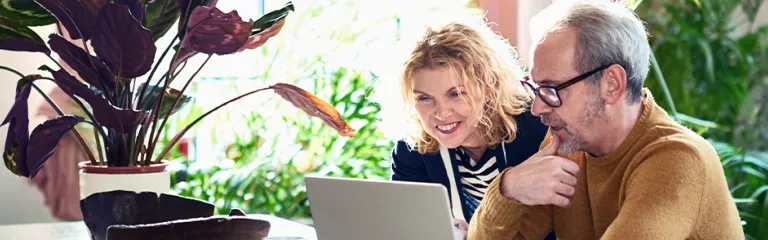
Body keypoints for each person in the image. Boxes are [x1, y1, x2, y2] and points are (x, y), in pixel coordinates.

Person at [467, 0, 744, 239]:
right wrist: (508, 188)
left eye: (551, 90)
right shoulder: (566, 146)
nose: (537, 107)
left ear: (611, 84)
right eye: (536, 88)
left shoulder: (679, 159)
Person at [377, 16, 554, 239]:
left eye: (457, 94)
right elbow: (409, 231)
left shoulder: (537, 129)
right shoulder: (412, 151)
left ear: (489, 87)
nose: (441, 113)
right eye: (424, 99)